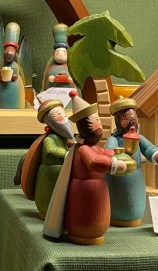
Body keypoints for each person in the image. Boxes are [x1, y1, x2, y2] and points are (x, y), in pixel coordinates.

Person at [43, 95, 129, 245]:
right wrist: (113, 164)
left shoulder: (91, 147)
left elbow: (100, 153)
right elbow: (94, 162)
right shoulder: (83, 149)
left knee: (98, 214)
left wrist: (111, 153)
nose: (99, 124)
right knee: (88, 214)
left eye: (98, 120)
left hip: (96, 189)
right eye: (95, 121)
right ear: (85, 127)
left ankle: (95, 231)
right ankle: (82, 232)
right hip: (85, 191)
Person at [104, 96, 158, 226]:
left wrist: (157, 155)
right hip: (118, 178)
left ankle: (135, 217)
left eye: (133, 115)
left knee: (136, 199)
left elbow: (148, 147)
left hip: (136, 178)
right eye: (125, 116)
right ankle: (116, 217)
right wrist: (116, 161)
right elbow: (109, 153)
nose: (132, 119)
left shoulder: (138, 138)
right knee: (118, 200)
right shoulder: (114, 140)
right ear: (118, 120)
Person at [21, 98, 75, 218]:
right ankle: (47, 210)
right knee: (51, 196)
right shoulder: (50, 139)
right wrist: (67, 153)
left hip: (63, 172)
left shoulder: (65, 139)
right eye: (59, 114)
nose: (64, 118)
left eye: (65, 114)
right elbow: (50, 152)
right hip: (50, 174)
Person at [0, 22, 25, 109]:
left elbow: (15, 77)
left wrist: (11, 76)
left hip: (13, 88)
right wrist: (1, 77)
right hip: (1, 88)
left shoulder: (15, 66)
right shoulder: (2, 65)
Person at [42, 23, 75, 90]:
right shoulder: (51, 69)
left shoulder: (69, 68)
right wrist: (52, 78)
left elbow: (72, 81)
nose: (61, 54)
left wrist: (69, 79)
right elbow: (48, 81)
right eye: (58, 52)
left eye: (64, 52)